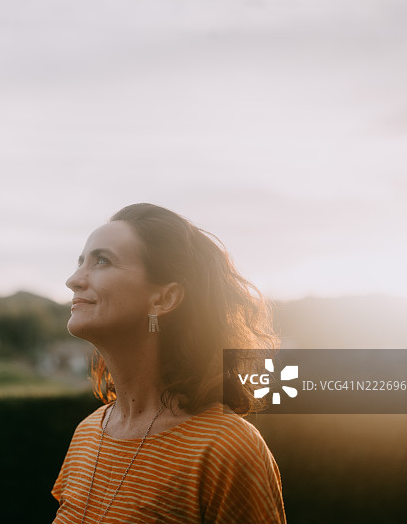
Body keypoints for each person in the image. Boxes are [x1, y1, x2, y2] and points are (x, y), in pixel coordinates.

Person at [52, 203, 286, 524]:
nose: (74, 279)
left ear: (163, 299)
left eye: (102, 261)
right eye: (81, 262)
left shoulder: (225, 448)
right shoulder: (88, 433)